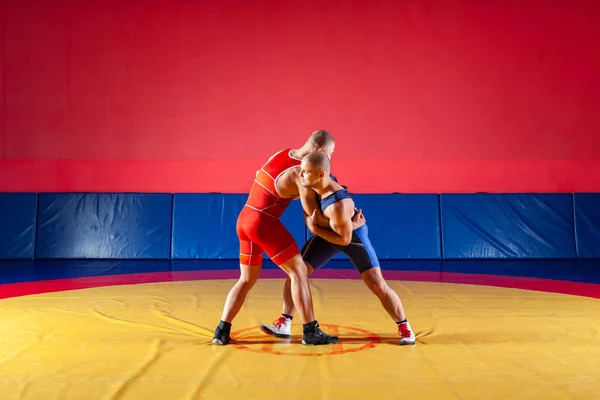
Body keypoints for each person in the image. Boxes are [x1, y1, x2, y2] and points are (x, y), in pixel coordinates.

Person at [212, 130, 365, 346]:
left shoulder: (281, 153)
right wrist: (352, 223)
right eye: (330, 155)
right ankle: (310, 331)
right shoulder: (300, 174)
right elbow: (314, 219)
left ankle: (221, 330)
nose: (329, 160)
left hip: (245, 219)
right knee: (299, 272)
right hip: (263, 223)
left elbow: (260, 175)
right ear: (320, 151)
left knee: (246, 279)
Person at [259, 152, 416, 345]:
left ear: (320, 175)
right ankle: (285, 321)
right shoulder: (317, 180)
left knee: (376, 283)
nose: (301, 176)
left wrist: (314, 228)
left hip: (351, 238)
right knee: (297, 272)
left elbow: (343, 239)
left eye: (305, 173)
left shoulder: (337, 205)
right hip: (331, 232)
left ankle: (404, 326)